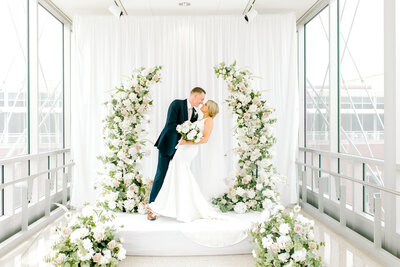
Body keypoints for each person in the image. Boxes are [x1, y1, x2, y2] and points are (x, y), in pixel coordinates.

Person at [144, 100, 224, 223]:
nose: (203, 104)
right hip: (181, 148)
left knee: (180, 174)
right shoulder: (198, 118)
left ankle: (167, 206)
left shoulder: (209, 121)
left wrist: (186, 142)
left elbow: (205, 139)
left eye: (206, 104)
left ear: (210, 109)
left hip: (188, 150)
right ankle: (162, 205)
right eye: (203, 102)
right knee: (174, 174)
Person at [147, 87, 206, 220]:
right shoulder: (176, 104)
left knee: (176, 178)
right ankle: (151, 208)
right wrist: (181, 138)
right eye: (201, 99)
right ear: (195, 96)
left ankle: (169, 208)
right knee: (161, 175)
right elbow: (170, 124)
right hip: (168, 145)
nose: (202, 102)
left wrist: (185, 144)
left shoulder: (195, 114)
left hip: (181, 151)